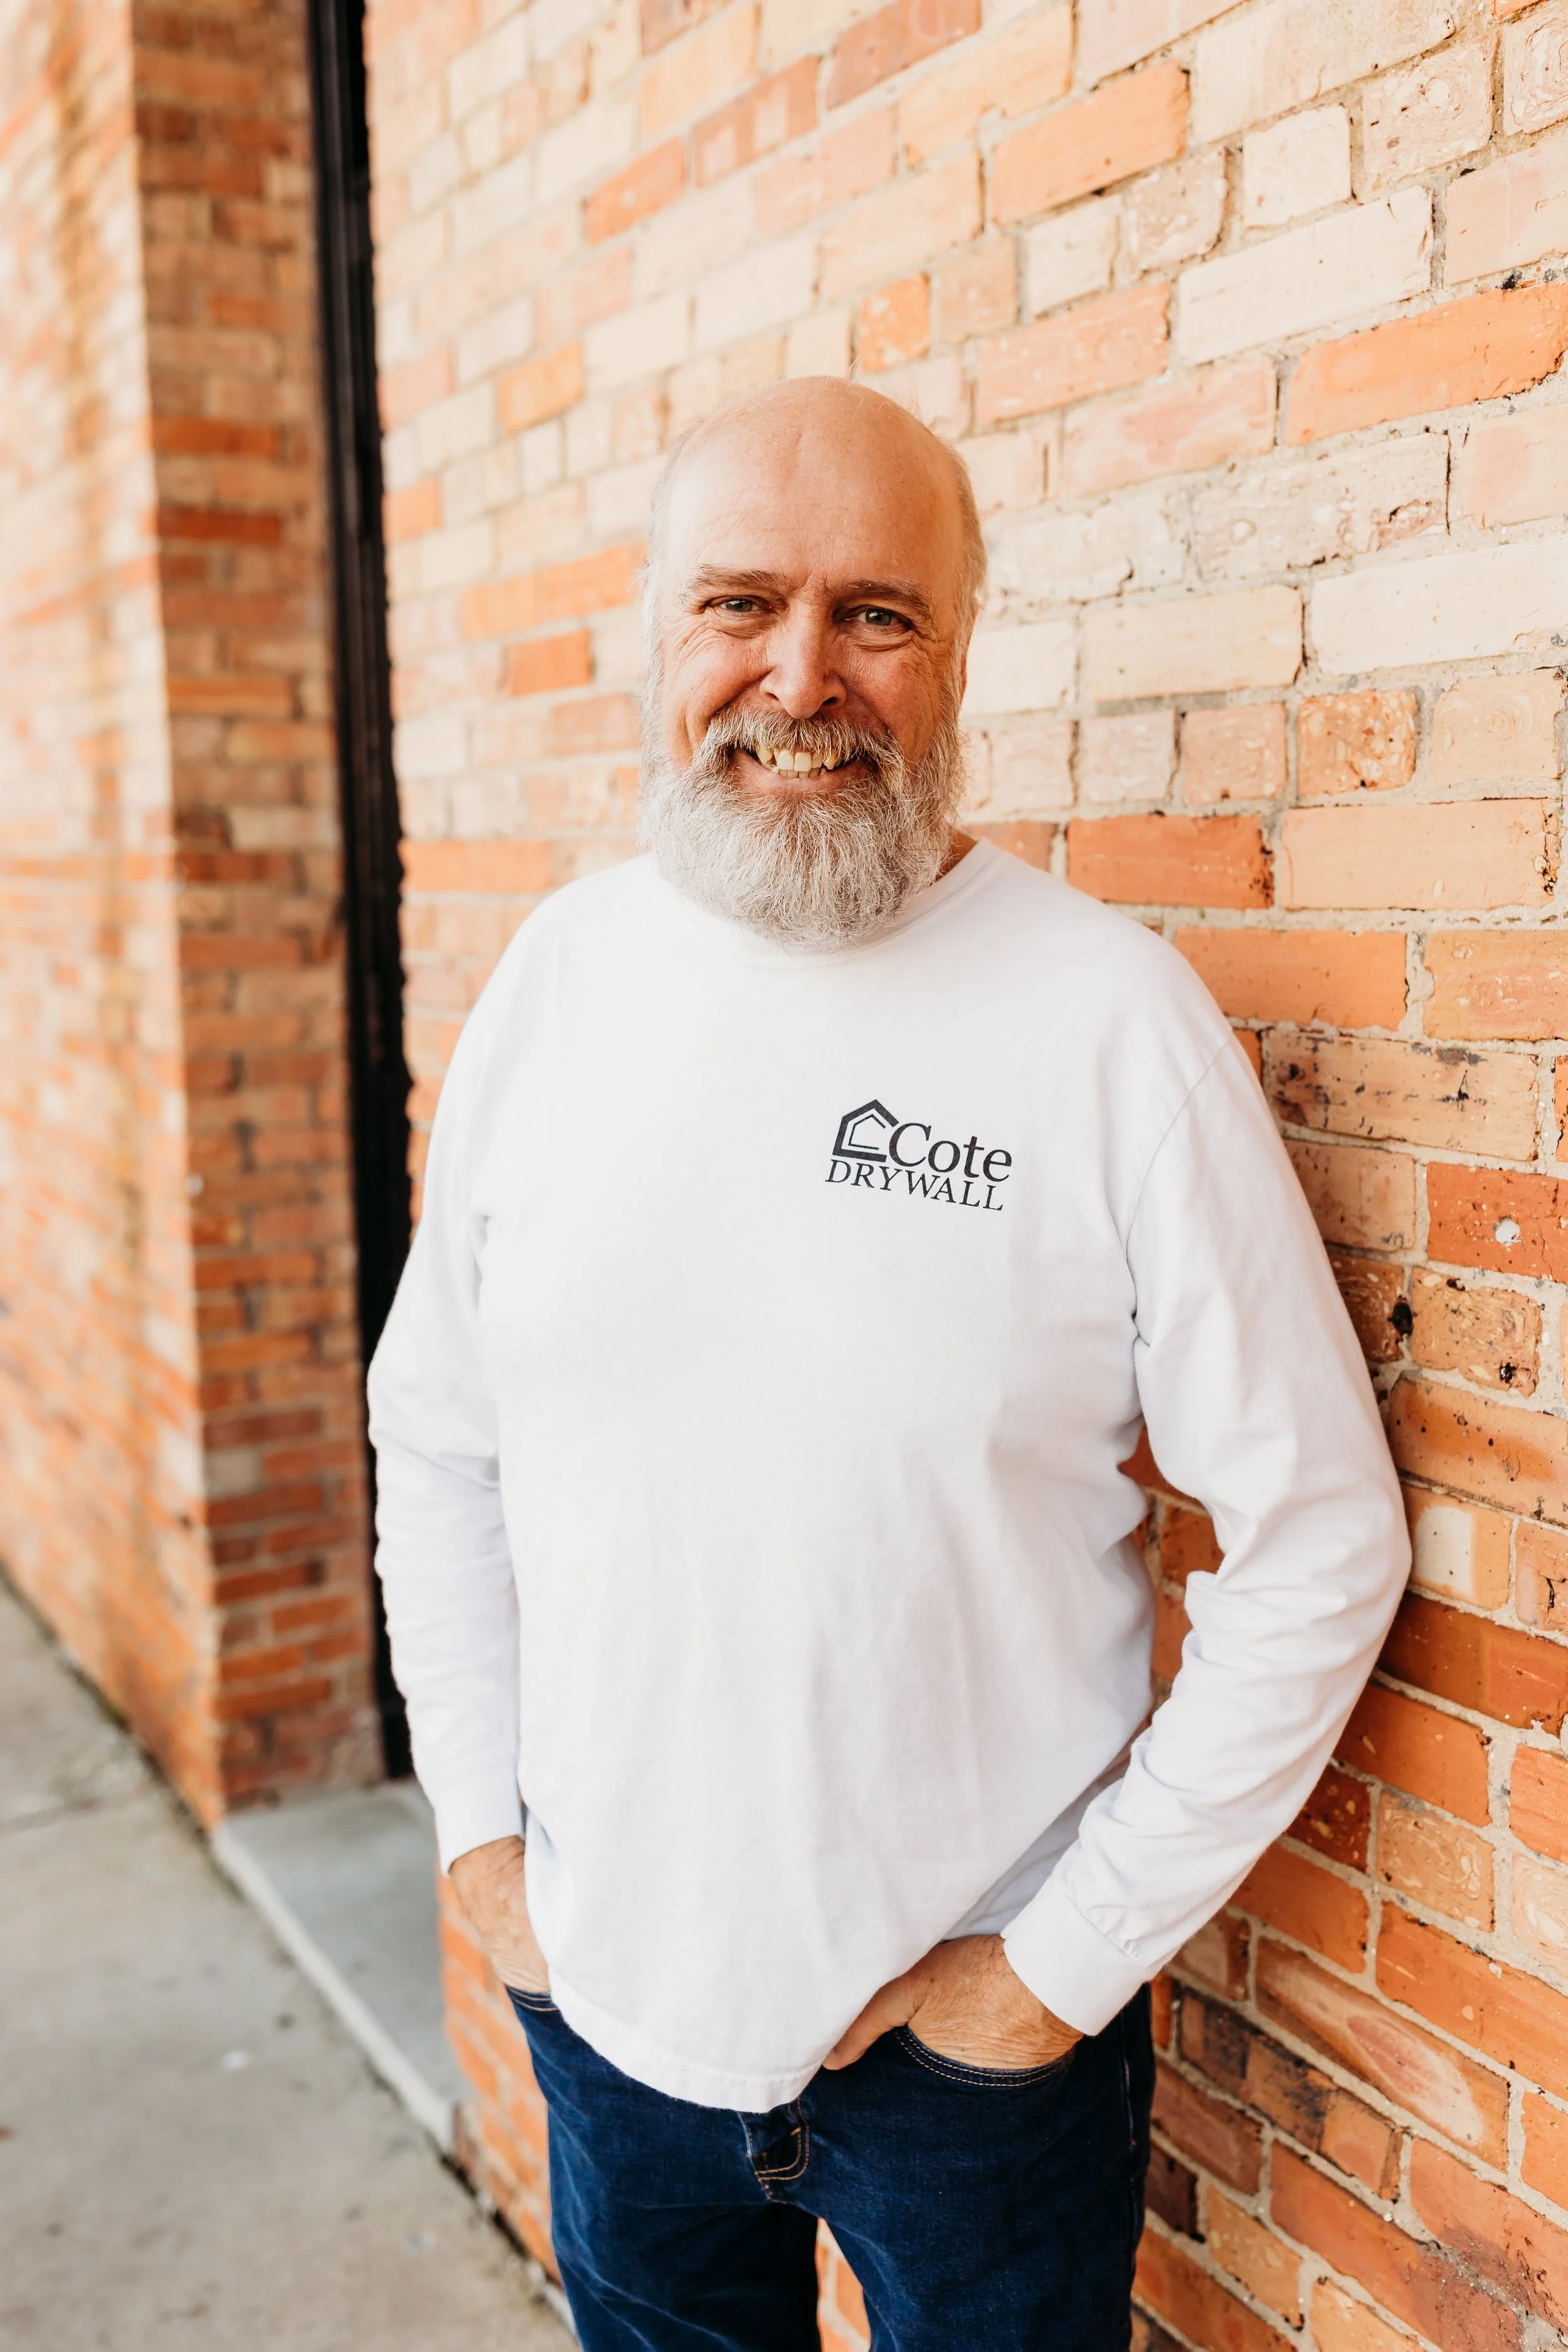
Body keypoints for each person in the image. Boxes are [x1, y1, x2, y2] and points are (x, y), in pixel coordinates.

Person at [367, 377, 1409, 2351]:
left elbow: (1319, 1534)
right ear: (656, 633)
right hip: (609, 2017)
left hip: (969, 2080)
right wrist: (486, 1837)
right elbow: (438, 1439)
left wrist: (1051, 1967)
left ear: (958, 645)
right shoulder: (560, 986)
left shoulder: (1107, 1018)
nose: (801, 672)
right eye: (738, 604)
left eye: (876, 612)